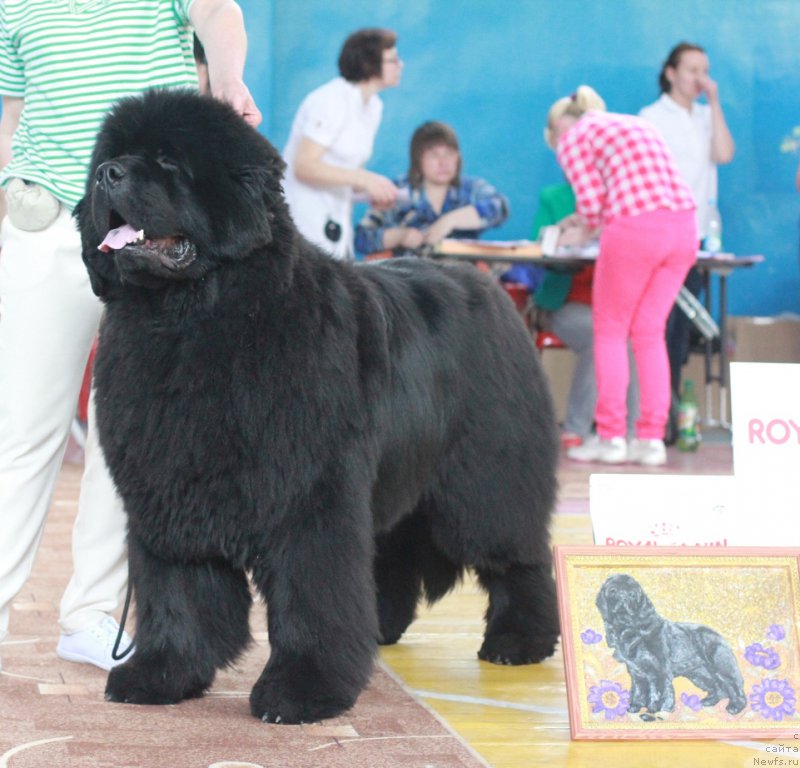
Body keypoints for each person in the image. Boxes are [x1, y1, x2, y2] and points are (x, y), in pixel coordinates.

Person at [0, 0, 260, 672]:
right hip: (47, 222)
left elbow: (217, 10)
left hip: (154, 231)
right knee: (22, 430)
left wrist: (228, 78)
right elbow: (13, 114)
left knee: (129, 432)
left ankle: (93, 613)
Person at [545, 85, 696, 466]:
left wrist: (577, 232)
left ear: (559, 130)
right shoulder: (635, 124)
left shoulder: (572, 138)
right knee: (649, 332)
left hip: (633, 229)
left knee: (611, 330)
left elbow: (591, 205)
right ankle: (651, 439)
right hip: (683, 227)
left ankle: (611, 437)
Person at [639, 42, 735, 443]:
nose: (700, 78)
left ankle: (673, 411)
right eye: (692, 69)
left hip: (696, 237)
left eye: (704, 71)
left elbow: (724, 154)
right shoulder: (652, 118)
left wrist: (714, 103)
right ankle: (653, 415)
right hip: (662, 234)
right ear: (671, 73)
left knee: (682, 329)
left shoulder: (705, 116)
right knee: (658, 325)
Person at [529, 182, 639, 450]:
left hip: (613, 304)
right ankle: (576, 428)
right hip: (564, 303)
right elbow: (537, 247)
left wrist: (601, 230)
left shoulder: (621, 200)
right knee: (600, 337)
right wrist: (559, 232)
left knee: (635, 338)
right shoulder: (553, 196)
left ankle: (633, 432)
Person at [282, 28, 402, 260]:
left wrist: (371, 191)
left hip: (337, 217)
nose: (400, 65)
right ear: (369, 64)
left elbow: (345, 173)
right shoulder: (331, 99)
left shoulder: (373, 107)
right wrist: (364, 179)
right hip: (305, 215)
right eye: (392, 60)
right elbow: (304, 166)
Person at [354, 120, 509, 258]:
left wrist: (450, 221)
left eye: (449, 154)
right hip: (410, 276)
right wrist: (400, 236)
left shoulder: (470, 190)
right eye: (434, 155)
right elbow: (362, 239)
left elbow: (500, 207)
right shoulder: (398, 191)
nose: (443, 162)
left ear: (458, 157)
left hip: (461, 275)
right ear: (418, 160)